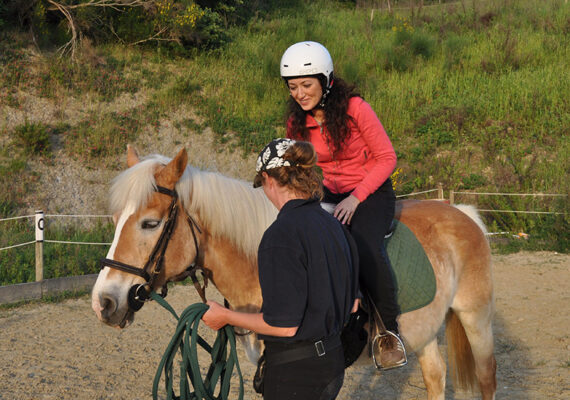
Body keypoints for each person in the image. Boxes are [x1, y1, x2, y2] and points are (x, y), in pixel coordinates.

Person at [280, 41, 406, 369]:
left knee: (363, 247)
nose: (300, 93)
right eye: (293, 87)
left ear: (327, 80)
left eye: (307, 85)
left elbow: (387, 158)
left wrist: (356, 197)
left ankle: (389, 332)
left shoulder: (356, 109)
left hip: (371, 191)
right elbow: (302, 166)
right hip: (329, 194)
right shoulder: (296, 122)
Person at [202, 138, 359, 400]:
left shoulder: (281, 235)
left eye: (262, 185)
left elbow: (284, 326)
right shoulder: (332, 224)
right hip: (332, 362)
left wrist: (226, 316)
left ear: (268, 179)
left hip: (296, 374)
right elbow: (353, 303)